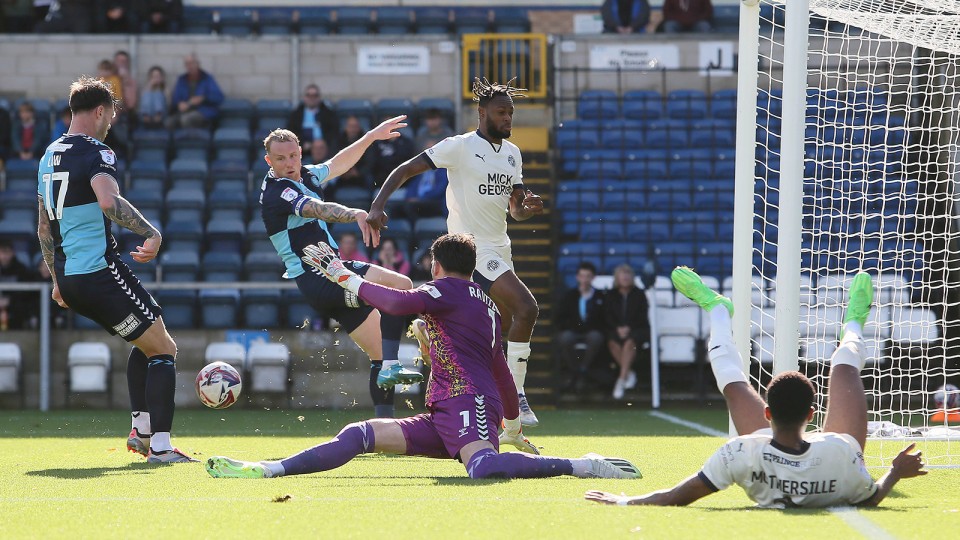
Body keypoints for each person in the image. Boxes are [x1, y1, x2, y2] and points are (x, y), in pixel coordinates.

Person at [205, 233, 642, 481]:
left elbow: (395, 304)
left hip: (464, 401)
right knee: (360, 433)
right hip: (447, 410)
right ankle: (267, 469)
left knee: (482, 468)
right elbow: (501, 370)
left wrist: (343, 275)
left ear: (437, 265)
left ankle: (583, 465)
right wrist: (512, 422)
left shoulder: (447, 289)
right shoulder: (483, 302)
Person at [586, 268, 927, 508]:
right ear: (812, 414)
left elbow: (677, 496)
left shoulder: (741, 452)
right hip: (833, 455)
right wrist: (895, 472)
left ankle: (719, 309)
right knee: (844, 361)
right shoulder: (843, 454)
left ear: (767, 413)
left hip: (773, 456)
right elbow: (872, 498)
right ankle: (854, 319)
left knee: (732, 382)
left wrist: (627, 500)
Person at [367, 78, 545, 426]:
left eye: (511, 112)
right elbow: (406, 169)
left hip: (501, 246)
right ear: (481, 113)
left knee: (499, 324)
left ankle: (430, 330)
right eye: (501, 112)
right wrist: (377, 206)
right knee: (527, 308)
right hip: (472, 248)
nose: (508, 118)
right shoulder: (459, 146)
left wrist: (528, 208)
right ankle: (518, 399)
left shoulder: (512, 154)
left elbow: (515, 210)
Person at [36, 76, 193, 463]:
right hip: (99, 271)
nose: (111, 124)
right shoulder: (97, 152)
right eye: (111, 116)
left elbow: (43, 226)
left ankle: (141, 430)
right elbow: (109, 201)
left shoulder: (47, 154)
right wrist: (150, 232)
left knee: (147, 335)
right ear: (101, 111)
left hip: (72, 277)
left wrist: (58, 279)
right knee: (165, 350)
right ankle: (160, 447)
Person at [257, 123, 423, 418]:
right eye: (281, 159)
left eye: (293, 156)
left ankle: (384, 424)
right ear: (269, 161)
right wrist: (356, 214)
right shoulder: (277, 191)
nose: (290, 164)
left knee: (380, 353)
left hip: (332, 271)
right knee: (401, 285)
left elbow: (336, 164)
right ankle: (421, 336)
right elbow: (316, 209)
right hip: (318, 276)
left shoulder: (305, 174)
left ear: (299, 153)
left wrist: (371, 137)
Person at [555, 261, 606, 393]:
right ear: (577, 277)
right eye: (582, 276)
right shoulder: (570, 295)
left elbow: (604, 317)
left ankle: (582, 369)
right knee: (565, 338)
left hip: (592, 331)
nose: (585, 279)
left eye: (588, 276)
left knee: (595, 337)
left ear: (593, 277)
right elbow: (561, 317)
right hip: (573, 331)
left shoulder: (600, 296)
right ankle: (576, 370)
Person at [604, 263, 649, 399]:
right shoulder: (610, 295)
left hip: (637, 329)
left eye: (628, 274)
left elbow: (642, 316)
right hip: (616, 329)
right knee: (613, 342)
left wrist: (629, 328)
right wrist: (618, 328)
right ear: (617, 277)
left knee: (630, 342)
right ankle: (628, 373)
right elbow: (607, 315)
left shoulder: (639, 294)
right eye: (622, 275)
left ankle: (621, 380)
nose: (625, 277)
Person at [165, 53, 224, 130]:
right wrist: (179, 104)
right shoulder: (181, 79)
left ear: (198, 64)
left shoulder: (207, 78)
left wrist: (203, 98)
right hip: (185, 111)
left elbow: (219, 97)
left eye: (192, 63)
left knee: (186, 120)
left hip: (203, 111)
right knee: (168, 123)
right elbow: (175, 98)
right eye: (187, 64)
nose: (190, 66)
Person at [286, 83, 338, 157]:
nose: (312, 98)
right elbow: (291, 133)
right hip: (303, 150)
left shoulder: (328, 114)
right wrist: (304, 144)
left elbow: (333, 132)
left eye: (315, 95)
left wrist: (323, 143)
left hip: (324, 149)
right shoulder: (296, 114)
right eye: (309, 95)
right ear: (304, 97)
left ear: (319, 97)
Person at [402, 138, 448, 219]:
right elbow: (413, 185)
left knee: (411, 207)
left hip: (434, 202)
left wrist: (420, 199)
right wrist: (410, 196)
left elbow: (440, 189)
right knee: (397, 208)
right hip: (418, 203)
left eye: (432, 151)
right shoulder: (420, 170)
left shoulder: (443, 169)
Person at [368, 115, 416, 190]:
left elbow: (409, 162)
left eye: (391, 124)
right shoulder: (377, 143)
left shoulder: (406, 142)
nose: (389, 127)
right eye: (386, 125)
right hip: (382, 182)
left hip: (402, 181)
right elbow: (373, 164)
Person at [0, 240, 34, 330]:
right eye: (2, 253)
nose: (4, 256)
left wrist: (10, 300)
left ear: (12, 253)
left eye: (7, 252)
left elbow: (26, 292)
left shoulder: (21, 269)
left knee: (21, 307)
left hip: (15, 304)